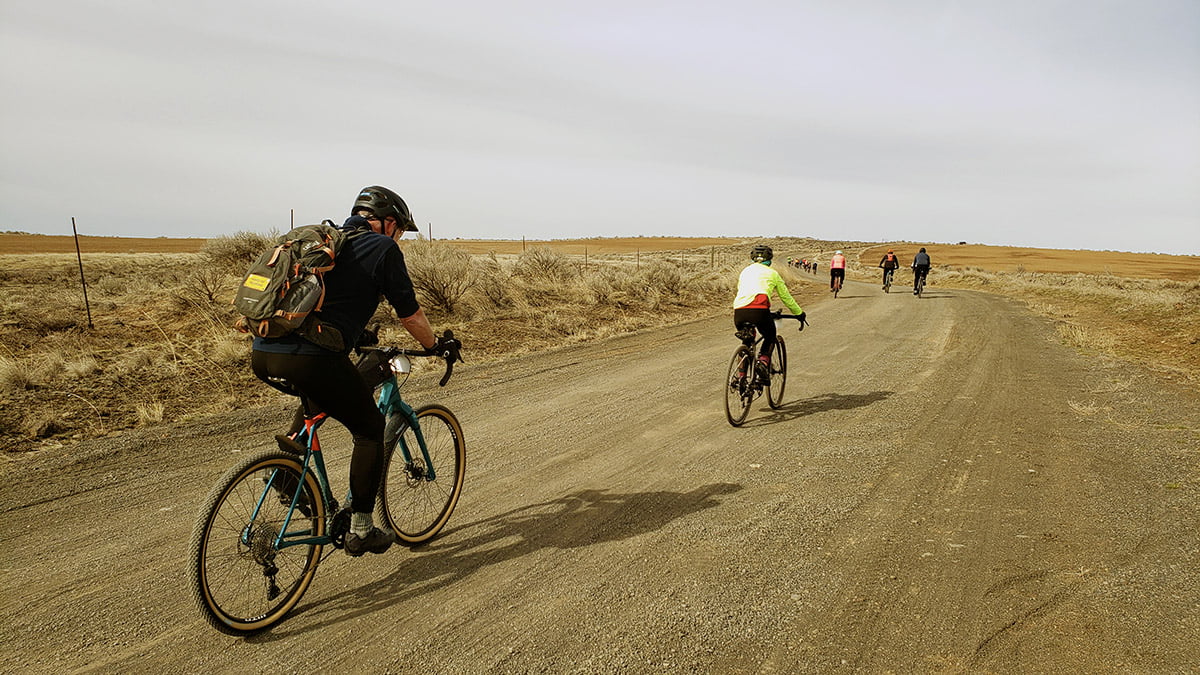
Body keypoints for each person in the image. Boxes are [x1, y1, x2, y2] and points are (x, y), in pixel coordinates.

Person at [250, 185, 452, 557]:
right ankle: (361, 527)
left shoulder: (330, 244)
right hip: (311, 356)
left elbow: (329, 303)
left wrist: (358, 333)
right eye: (400, 230)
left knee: (321, 396)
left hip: (264, 351)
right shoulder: (382, 248)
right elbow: (409, 313)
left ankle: (284, 469)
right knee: (371, 429)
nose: (399, 238)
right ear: (388, 222)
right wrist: (433, 345)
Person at [732, 244, 805, 383]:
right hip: (759, 310)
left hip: (739, 311)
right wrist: (799, 313)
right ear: (770, 259)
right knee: (770, 336)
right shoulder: (773, 274)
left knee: (747, 341)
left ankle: (740, 378)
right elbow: (786, 298)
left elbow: (742, 290)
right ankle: (763, 363)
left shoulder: (745, 271)